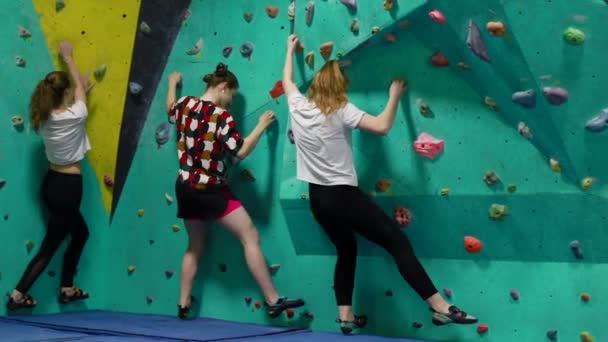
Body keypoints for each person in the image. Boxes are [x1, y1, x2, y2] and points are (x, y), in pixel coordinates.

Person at [282, 35, 478, 334]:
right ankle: (440, 306)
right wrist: (395, 95)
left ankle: (345, 318)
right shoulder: (341, 109)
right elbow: (382, 126)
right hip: (343, 195)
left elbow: (287, 82)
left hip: (318, 199)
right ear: (339, 87)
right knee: (396, 242)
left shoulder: (298, 107)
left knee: (346, 250)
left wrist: (288, 51)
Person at [165, 63, 304, 320]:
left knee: (194, 245)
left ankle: (183, 304)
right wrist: (261, 126)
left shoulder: (184, 104)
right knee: (249, 235)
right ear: (222, 87)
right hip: (211, 189)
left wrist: (172, 83)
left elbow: (169, 110)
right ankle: (273, 299)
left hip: (185, 186)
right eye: (231, 96)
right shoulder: (221, 116)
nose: (230, 102)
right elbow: (239, 151)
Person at [6, 41, 94, 311]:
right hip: (68, 187)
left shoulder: (45, 117)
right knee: (50, 246)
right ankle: (18, 295)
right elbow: (79, 95)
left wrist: (78, 89)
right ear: (66, 93)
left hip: (52, 184)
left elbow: (76, 96)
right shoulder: (75, 113)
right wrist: (68, 57)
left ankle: (67, 287)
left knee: (80, 234)